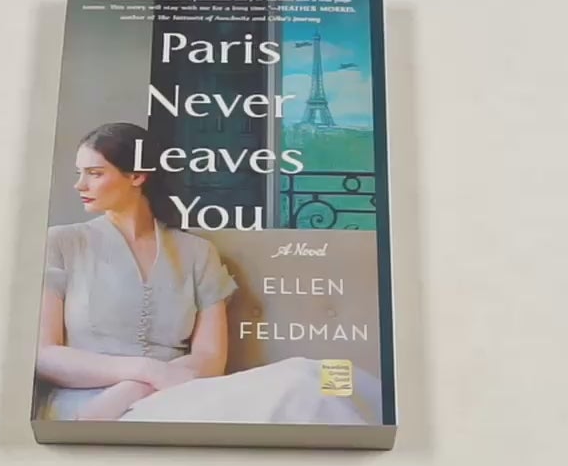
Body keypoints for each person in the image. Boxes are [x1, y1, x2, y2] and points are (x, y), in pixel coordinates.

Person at [34, 122, 371, 424]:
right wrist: (143, 369)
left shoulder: (197, 252)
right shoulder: (63, 243)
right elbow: (45, 354)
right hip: (92, 406)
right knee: (302, 391)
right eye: (80, 173)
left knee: (315, 378)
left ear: (137, 176)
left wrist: (137, 385)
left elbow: (210, 359)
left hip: (178, 393)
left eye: (94, 173)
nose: (80, 184)